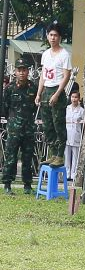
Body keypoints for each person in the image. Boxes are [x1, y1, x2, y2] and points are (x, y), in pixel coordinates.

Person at [36, 23, 70, 167]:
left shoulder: (64, 54)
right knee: (47, 125)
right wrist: (39, 94)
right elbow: (43, 76)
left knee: (58, 124)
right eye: (51, 35)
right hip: (46, 91)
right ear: (47, 36)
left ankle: (60, 155)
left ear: (60, 37)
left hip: (57, 90)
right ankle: (53, 153)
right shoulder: (45, 54)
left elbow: (66, 76)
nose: (53, 38)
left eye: (56, 35)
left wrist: (57, 94)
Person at [4, 64, 39, 193]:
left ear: (28, 71)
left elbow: (36, 107)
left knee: (28, 156)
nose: (22, 73)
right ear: (15, 72)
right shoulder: (9, 88)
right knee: (11, 156)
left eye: (24, 70)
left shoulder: (33, 88)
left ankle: (27, 185)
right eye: (19, 70)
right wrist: (12, 121)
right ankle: (7, 183)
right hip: (14, 129)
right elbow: (5, 107)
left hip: (28, 127)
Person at [64, 88, 85, 180]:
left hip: (76, 134)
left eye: (76, 97)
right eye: (72, 97)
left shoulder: (81, 110)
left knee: (75, 155)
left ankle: (73, 174)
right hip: (67, 133)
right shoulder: (67, 108)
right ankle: (67, 173)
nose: (74, 99)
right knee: (67, 155)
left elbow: (84, 122)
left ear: (79, 98)